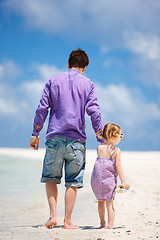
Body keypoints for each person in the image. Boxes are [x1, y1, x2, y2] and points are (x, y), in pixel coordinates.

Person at [29, 49, 103, 229]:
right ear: (84, 67)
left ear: (68, 64)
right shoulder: (89, 84)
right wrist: (99, 132)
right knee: (73, 182)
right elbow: (93, 110)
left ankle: (52, 216)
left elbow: (42, 108)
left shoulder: (53, 80)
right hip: (76, 141)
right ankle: (67, 222)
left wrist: (35, 133)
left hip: (55, 138)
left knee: (51, 178)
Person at [91, 123, 129, 229]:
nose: (120, 138)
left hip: (96, 181)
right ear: (113, 136)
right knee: (110, 204)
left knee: (100, 202)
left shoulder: (99, 148)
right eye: (120, 135)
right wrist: (123, 181)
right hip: (109, 182)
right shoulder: (116, 151)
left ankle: (102, 224)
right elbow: (118, 166)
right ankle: (110, 225)